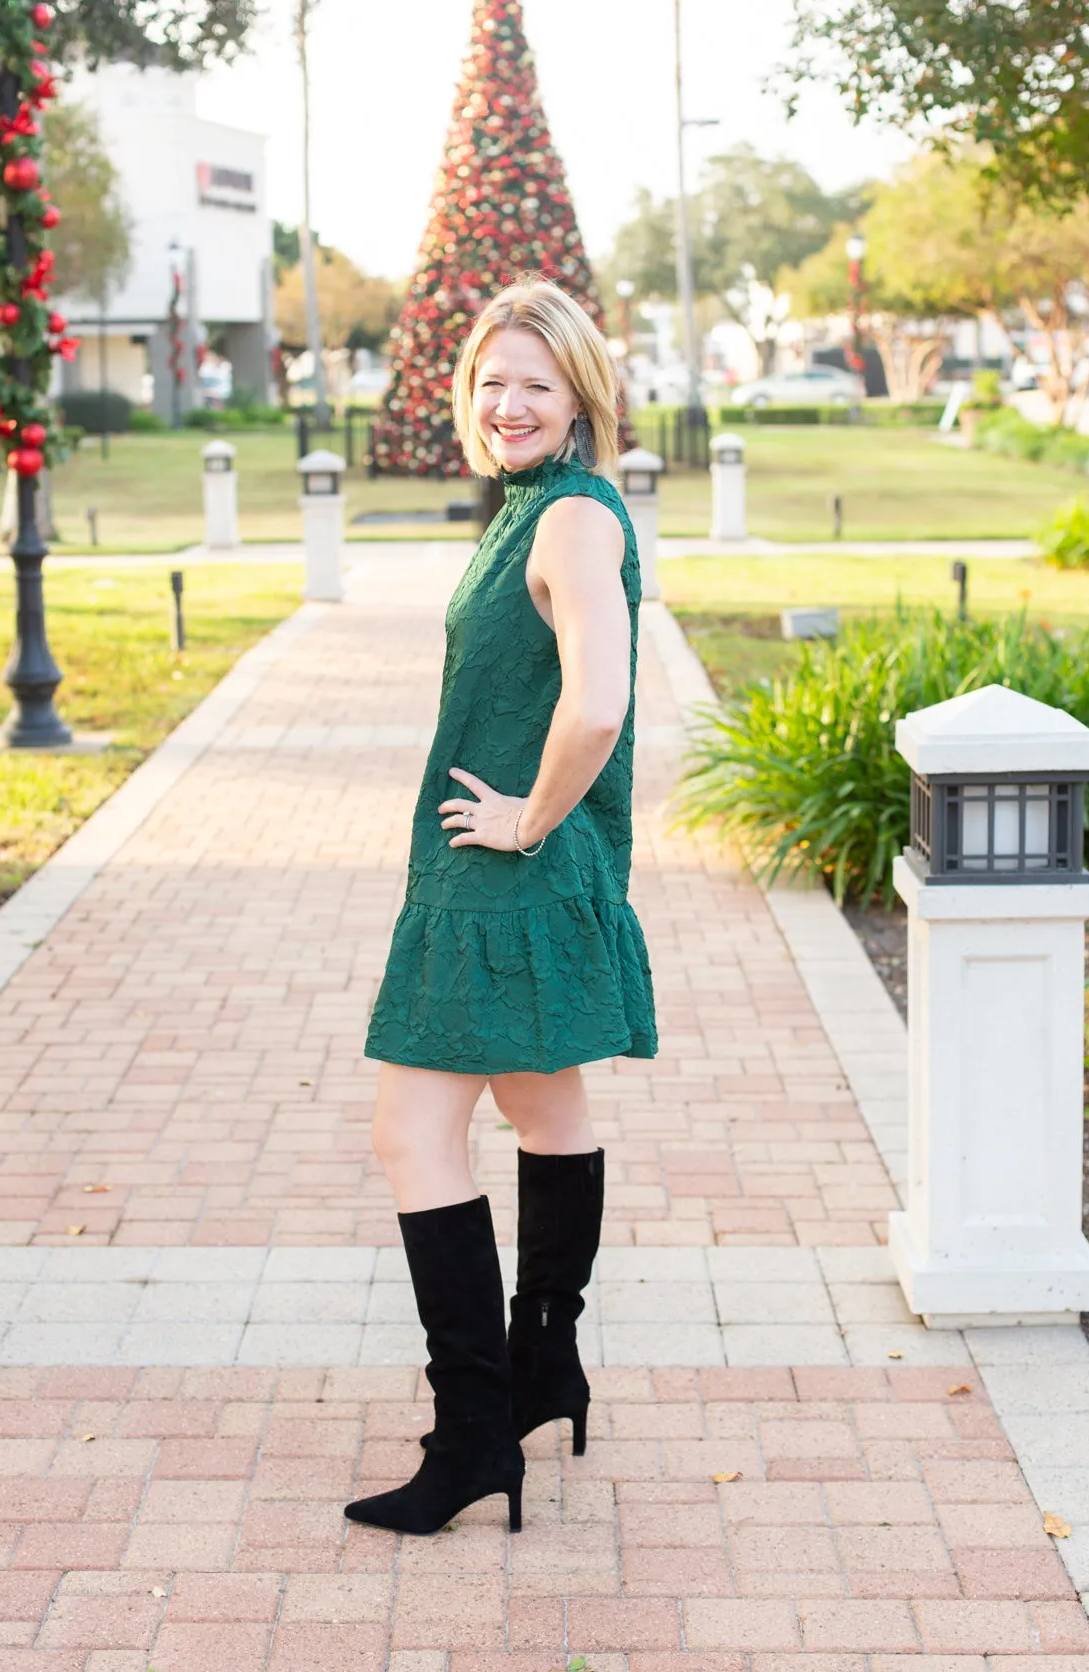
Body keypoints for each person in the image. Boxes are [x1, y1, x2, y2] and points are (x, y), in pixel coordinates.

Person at [345, 280, 657, 1538]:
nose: (509, 403)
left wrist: (527, 815)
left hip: (506, 869)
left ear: (582, 395)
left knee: (410, 1137)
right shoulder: (532, 508)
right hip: (519, 868)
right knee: (544, 1105)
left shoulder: (572, 520)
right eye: (491, 382)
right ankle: (546, 1364)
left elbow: (598, 703)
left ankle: (474, 1432)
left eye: (536, 382)